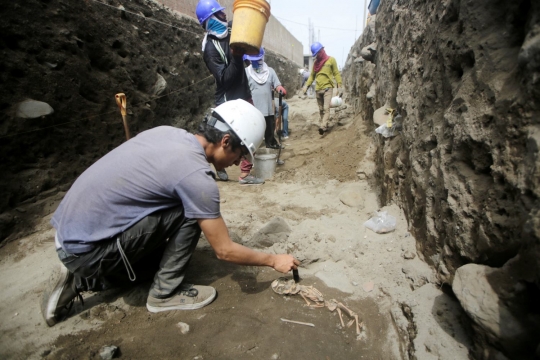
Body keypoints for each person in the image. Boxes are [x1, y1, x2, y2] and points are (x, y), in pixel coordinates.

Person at [40, 99, 300, 327]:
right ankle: (163, 294)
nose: (237, 163)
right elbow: (224, 250)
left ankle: (83, 278)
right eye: (240, 154)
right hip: (86, 251)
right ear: (225, 141)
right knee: (191, 211)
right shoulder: (197, 177)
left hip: (69, 235)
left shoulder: (167, 133)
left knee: (155, 265)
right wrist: (272, 260)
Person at [196, 0, 263, 185]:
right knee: (220, 139)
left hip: (244, 92)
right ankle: (219, 166)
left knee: (252, 131)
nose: (224, 16)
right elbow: (224, 79)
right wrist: (236, 57)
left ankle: (244, 173)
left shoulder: (232, 34)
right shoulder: (210, 49)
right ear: (210, 20)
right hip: (227, 100)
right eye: (219, 14)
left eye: (223, 13)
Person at [243, 47, 287, 149]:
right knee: (254, 130)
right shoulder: (246, 72)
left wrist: (280, 88)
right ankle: (252, 148)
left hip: (268, 108)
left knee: (269, 129)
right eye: (253, 60)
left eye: (257, 60)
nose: (255, 62)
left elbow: (277, 85)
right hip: (254, 109)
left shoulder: (270, 71)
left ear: (262, 58)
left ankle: (271, 143)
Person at [302, 42, 343, 135]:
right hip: (318, 89)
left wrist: (339, 86)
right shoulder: (316, 64)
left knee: (326, 108)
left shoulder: (331, 60)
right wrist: (306, 86)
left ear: (322, 50)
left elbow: (336, 73)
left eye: (318, 53)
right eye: (315, 54)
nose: (317, 56)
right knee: (321, 109)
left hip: (327, 88)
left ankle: (323, 126)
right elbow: (312, 76)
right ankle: (325, 125)